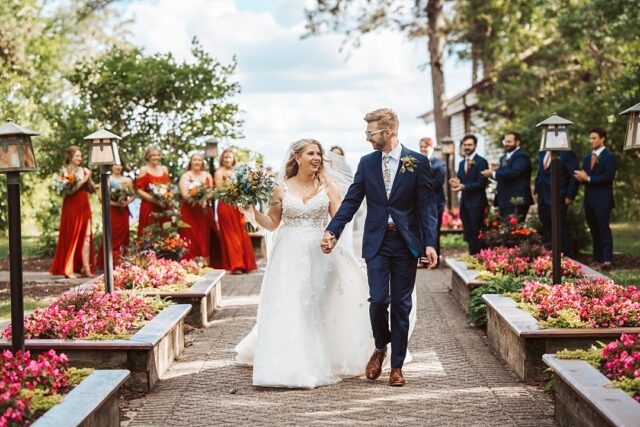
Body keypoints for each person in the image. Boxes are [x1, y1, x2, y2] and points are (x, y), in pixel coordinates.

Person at [235, 139, 382, 388]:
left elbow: (340, 219)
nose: (316, 157)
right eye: (310, 153)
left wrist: (332, 238)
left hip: (320, 253)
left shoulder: (329, 186)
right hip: (287, 255)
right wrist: (252, 212)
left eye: (318, 153)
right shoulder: (279, 188)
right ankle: (290, 364)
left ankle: (319, 357)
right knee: (291, 304)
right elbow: (272, 223)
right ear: (297, 158)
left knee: (313, 306)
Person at [321, 108, 438, 387]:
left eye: (370, 133)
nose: (367, 138)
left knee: (401, 304)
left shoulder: (417, 162)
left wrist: (430, 243)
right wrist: (333, 230)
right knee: (378, 301)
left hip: (405, 242)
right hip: (377, 241)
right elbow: (351, 201)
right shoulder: (367, 163)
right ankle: (380, 346)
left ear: (387, 133)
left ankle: (396, 366)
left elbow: (427, 207)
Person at [49, 146, 95, 278]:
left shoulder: (84, 170)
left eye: (81, 156)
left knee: (86, 236)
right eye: (77, 156)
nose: (80, 159)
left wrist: (89, 178)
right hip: (71, 205)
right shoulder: (65, 171)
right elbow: (69, 191)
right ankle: (68, 268)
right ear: (70, 157)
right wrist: (84, 179)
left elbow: (91, 190)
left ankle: (85, 267)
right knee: (72, 234)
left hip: (84, 204)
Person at [574, 126, 616, 270]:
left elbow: (608, 177)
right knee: (594, 230)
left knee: (603, 230)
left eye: (594, 138)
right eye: (590, 138)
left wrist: (589, 178)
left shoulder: (609, 157)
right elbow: (586, 177)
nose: (590, 141)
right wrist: (581, 178)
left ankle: (607, 261)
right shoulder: (587, 157)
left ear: (602, 139)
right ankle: (597, 259)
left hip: (603, 200)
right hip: (589, 200)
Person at [214, 148, 257, 273]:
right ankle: (235, 265)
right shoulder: (218, 172)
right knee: (230, 235)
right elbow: (221, 190)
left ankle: (246, 264)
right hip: (226, 206)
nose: (228, 159)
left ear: (233, 159)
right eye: (226, 157)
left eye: (230, 157)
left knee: (242, 233)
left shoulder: (239, 171)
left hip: (239, 206)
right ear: (222, 159)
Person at [534, 148, 579, 257]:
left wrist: (569, 196)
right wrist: (536, 190)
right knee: (546, 224)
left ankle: (567, 256)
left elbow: (574, 176)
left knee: (560, 227)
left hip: (559, 196)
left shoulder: (567, 153)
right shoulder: (542, 153)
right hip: (543, 196)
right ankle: (550, 255)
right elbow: (540, 173)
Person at [449, 135, 489, 255]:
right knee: (468, 232)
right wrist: (456, 182)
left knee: (478, 231)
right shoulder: (461, 163)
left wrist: (464, 187)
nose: (467, 147)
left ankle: (480, 256)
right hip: (465, 203)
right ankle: (472, 255)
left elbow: (482, 183)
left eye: (469, 145)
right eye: (465, 145)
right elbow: (462, 180)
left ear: (475, 146)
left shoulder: (482, 161)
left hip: (477, 203)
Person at [482, 131, 533, 221]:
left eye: (509, 141)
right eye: (505, 141)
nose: (506, 144)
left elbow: (513, 173)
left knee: (514, 229)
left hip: (516, 200)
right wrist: (493, 172)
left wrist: (493, 173)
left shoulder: (521, 156)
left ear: (517, 142)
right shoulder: (503, 158)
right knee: (506, 230)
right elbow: (504, 175)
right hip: (504, 200)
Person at [178, 153, 217, 265]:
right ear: (190, 162)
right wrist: (196, 196)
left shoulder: (207, 175)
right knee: (189, 235)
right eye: (194, 159)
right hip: (189, 211)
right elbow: (184, 194)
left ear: (202, 162)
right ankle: (188, 263)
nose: (197, 162)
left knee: (204, 237)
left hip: (204, 211)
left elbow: (211, 192)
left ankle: (205, 263)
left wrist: (204, 196)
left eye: (199, 160)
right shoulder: (186, 176)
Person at [96, 162, 134, 270]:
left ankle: (122, 262)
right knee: (111, 234)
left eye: (120, 165)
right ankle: (109, 263)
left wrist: (126, 202)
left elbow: (132, 195)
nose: (118, 167)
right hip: (111, 210)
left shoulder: (127, 180)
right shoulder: (106, 179)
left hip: (123, 211)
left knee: (124, 234)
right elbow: (100, 197)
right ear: (111, 166)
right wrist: (114, 203)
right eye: (116, 165)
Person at [134, 146, 171, 236]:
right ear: (148, 157)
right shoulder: (144, 170)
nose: (156, 157)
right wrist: (154, 200)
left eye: (158, 155)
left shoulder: (164, 169)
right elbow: (139, 190)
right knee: (148, 231)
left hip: (163, 205)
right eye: (153, 155)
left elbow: (168, 185)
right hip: (149, 206)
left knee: (164, 230)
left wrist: (165, 195)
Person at [419, 137, 445, 265]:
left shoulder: (439, 164)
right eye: (421, 147)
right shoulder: (416, 163)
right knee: (422, 230)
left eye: (426, 147)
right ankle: (424, 258)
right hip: (420, 203)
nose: (423, 149)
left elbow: (439, 182)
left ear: (431, 148)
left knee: (434, 230)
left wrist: (422, 186)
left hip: (436, 202)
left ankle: (436, 258)